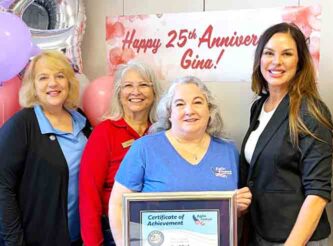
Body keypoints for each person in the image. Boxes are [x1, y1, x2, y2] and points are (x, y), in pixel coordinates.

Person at [108, 76, 252, 245]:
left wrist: (240, 206)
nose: (189, 110)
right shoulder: (144, 148)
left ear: (209, 110)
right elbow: (117, 205)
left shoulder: (228, 151)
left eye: (197, 102)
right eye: (180, 104)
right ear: (169, 113)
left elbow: (231, 211)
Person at [239, 22, 333, 246]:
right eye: (269, 53)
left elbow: (318, 193)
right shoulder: (259, 107)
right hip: (261, 233)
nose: (276, 61)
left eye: (287, 54)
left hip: (297, 239)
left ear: (300, 61)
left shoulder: (310, 111)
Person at [0, 50, 91, 245]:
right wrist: (14, 241)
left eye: (60, 76)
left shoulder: (82, 120)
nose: (53, 83)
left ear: (69, 82)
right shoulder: (21, 125)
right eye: (43, 78)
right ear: (32, 85)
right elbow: (2, 188)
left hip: (79, 237)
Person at [78, 60, 161, 246]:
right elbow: (89, 194)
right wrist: (93, 243)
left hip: (159, 229)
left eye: (143, 85)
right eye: (128, 85)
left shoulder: (163, 133)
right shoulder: (104, 133)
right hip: (115, 231)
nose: (136, 91)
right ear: (118, 92)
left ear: (154, 92)